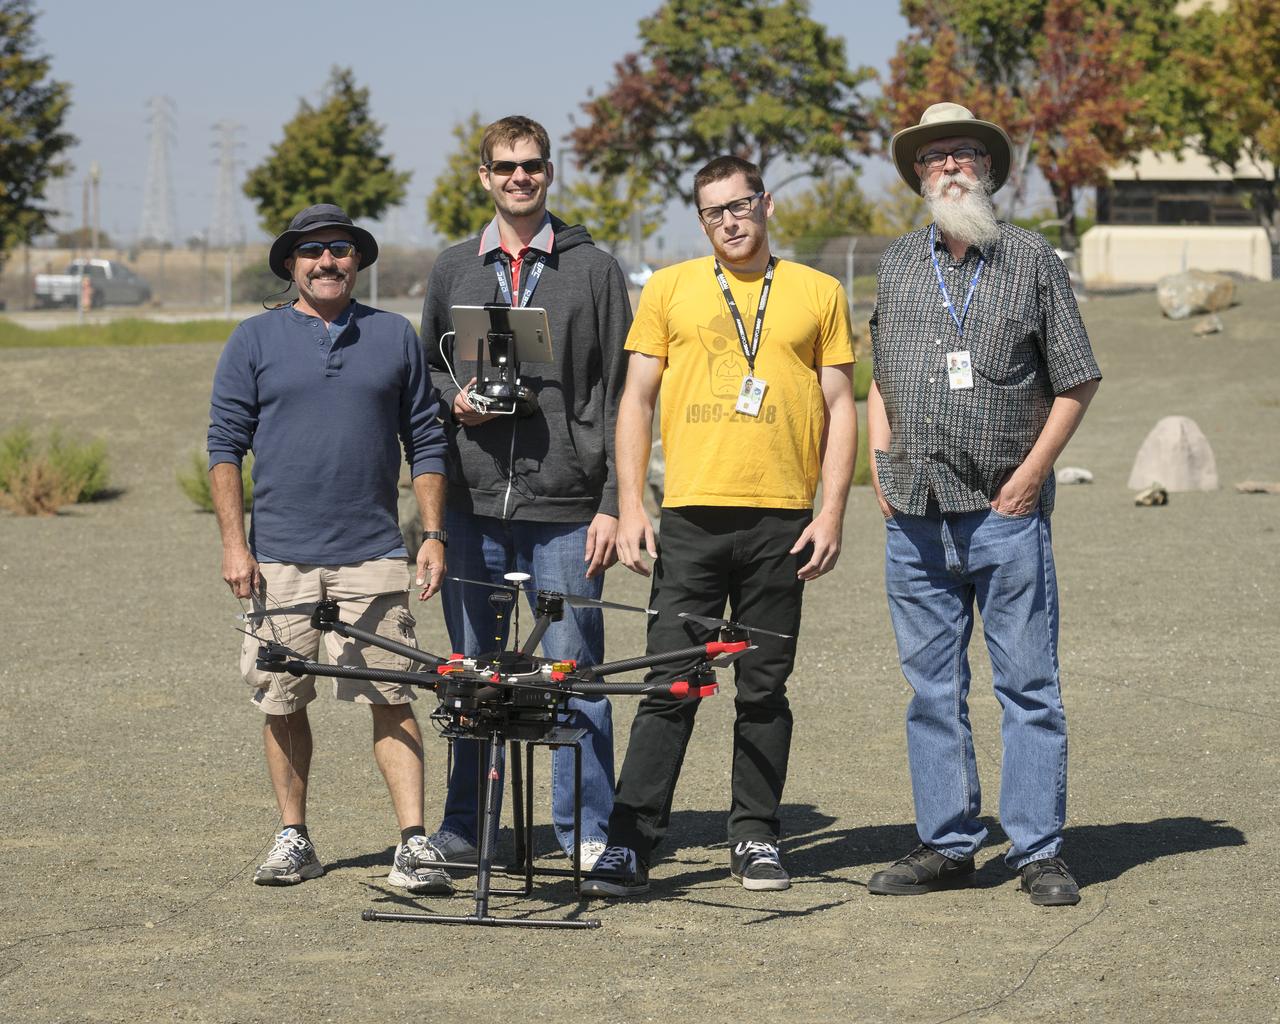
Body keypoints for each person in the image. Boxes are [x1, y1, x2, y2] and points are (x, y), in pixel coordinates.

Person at [582, 155, 857, 897]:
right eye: (712, 212)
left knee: (764, 688)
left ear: (765, 204)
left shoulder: (818, 292)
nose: (729, 222)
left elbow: (841, 407)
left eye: (739, 206)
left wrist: (831, 510)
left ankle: (757, 837)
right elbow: (635, 401)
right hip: (693, 520)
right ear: (699, 219)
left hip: (782, 522)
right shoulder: (669, 289)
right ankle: (630, 842)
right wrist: (633, 504)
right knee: (670, 683)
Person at [866, 103, 1101, 907]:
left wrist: (1033, 476)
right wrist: (878, 462)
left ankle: (1036, 850)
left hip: (1005, 512)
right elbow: (879, 376)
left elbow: (1078, 379)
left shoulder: (1032, 259)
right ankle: (947, 843)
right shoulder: (898, 264)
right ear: (920, 177)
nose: (952, 168)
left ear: (990, 170)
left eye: (965, 154)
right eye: (936, 159)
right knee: (932, 691)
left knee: (1027, 686)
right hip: (915, 514)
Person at [208, 204, 453, 894]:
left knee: (394, 693)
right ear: (291, 264)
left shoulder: (393, 335)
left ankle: (414, 842)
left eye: (339, 250)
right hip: (277, 558)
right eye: (311, 252)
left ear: (357, 259)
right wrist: (235, 543)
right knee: (281, 699)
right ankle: (295, 838)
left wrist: (431, 534)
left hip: (372, 553)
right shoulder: (252, 339)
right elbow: (224, 446)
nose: (327, 262)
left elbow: (427, 442)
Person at [420, 115, 632, 869]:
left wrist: (612, 501)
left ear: (550, 172)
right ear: (483, 177)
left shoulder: (594, 269)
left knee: (575, 679)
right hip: (475, 508)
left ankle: (586, 836)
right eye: (505, 167)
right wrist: (456, 401)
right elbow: (428, 374)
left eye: (532, 166)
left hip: (567, 510)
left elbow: (618, 394)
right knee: (472, 680)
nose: (519, 178)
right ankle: (465, 831)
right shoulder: (453, 271)